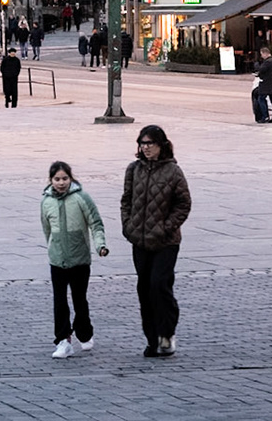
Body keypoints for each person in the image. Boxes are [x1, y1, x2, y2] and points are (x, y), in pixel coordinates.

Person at [121, 124, 192, 359]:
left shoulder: (173, 172)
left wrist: (165, 227)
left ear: (161, 145)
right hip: (140, 240)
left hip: (165, 241)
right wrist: (128, 226)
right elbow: (126, 201)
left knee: (159, 285)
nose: (145, 148)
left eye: (150, 143)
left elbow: (183, 204)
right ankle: (152, 339)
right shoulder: (134, 170)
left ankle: (167, 333)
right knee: (144, 289)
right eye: (142, 143)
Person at [41, 160, 107, 359]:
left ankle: (84, 331)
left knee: (80, 299)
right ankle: (63, 340)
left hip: (79, 259)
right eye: (57, 179)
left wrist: (100, 245)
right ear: (51, 180)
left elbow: (95, 223)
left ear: (71, 178)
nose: (61, 183)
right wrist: (52, 247)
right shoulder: (46, 202)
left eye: (64, 178)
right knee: (59, 301)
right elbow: (47, 229)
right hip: (57, 259)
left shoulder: (81, 198)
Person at [253, 48, 272, 123]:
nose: (261, 56)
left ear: (265, 53)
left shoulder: (268, 62)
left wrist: (257, 66)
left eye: (262, 54)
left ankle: (265, 116)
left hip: (265, 84)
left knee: (261, 99)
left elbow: (261, 69)